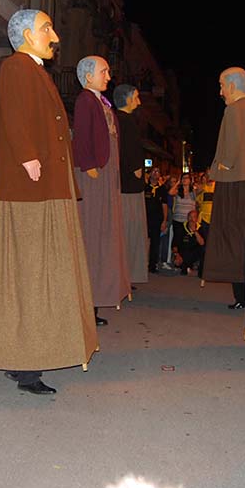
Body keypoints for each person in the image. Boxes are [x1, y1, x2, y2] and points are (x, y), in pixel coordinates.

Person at [0, 9, 98, 396]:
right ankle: (26, 367)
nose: (55, 35)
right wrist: (29, 156)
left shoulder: (35, 70)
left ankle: (24, 360)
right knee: (31, 276)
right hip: (32, 188)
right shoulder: (17, 67)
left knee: (37, 274)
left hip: (46, 185)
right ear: (27, 34)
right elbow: (15, 117)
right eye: (47, 28)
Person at [73, 56, 131, 322]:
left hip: (106, 174)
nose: (108, 76)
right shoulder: (86, 100)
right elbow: (81, 135)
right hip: (95, 175)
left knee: (103, 236)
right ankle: (87, 305)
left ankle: (96, 299)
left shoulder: (101, 101)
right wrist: (88, 166)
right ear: (88, 76)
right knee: (93, 237)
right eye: (103, 71)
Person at [202, 67, 245, 310]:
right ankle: (244, 295)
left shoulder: (234, 110)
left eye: (222, 85)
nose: (221, 91)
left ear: (233, 87)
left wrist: (223, 166)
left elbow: (231, 148)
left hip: (233, 181)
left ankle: (243, 296)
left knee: (232, 237)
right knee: (242, 237)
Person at [114, 84, 149, 285]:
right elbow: (130, 152)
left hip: (126, 185)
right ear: (127, 99)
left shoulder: (121, 120)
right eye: (136, 97)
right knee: (130, 233)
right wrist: (137, 173)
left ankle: (126, 276)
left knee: (130, 234)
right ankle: (126, 276)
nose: (139, 101)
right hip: (129, 188)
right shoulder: (126, 121)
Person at [144, 167, 168, 273]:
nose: (155, 173)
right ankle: (142, 263)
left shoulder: (162, 189)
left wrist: (164, 220)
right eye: (153, 171)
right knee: (144, 242)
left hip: (157, 219)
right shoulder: (144, 187)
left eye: (157, 171)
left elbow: (165, 205)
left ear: (159, 175)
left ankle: (152, 265)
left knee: (155, 242)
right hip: (144, 219)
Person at [172, 208, 207, 276]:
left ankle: (197, 270)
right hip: (183, 252)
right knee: (179, 260)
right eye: (190, 217)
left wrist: (195, 231)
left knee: (204, 250)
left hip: (195, 253)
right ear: (187, 218)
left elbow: (202, 243)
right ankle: (186, 267)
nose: (191, 219)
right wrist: (177, 255)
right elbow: (175, 244)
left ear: (197, 219)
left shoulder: (200, 228)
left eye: (194, 217)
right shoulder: (181, 228)